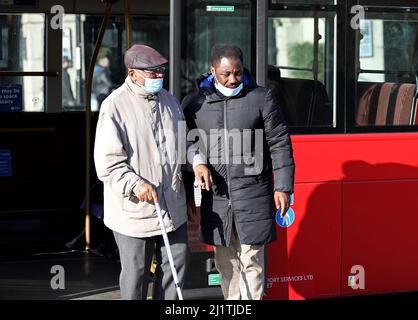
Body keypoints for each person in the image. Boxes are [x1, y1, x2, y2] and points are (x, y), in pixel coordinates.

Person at [182, 44, 295, 300]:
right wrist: (188, 195)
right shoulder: (195, 104)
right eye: (226, 74)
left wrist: (283, 187)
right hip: (216, 199)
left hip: (254, 194)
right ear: (213, 71)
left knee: (252, 262)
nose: (233, 79)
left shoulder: (261, 98)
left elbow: (279, 143)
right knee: (226, 265)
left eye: (238, 72)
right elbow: (186, 149)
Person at [94, 44, 190, 300]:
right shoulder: (113, 106)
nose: (159, 76)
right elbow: (108, 163)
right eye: (152, 72)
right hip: (134, 212)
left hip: (171, 205)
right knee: (136, 274)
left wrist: (198, 160)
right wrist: (136, 185)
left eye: (161, 71)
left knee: (176, 265)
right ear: (132, 72)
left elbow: (185, 143)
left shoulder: (169, 100)